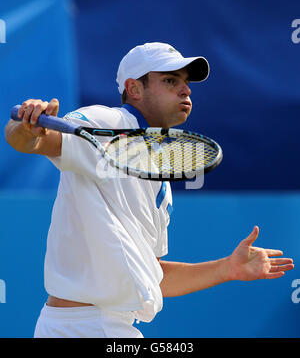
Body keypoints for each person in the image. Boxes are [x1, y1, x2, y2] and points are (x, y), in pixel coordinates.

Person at [5, 42, 294, 338]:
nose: (185, 91)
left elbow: (155, 277)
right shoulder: (111, 122)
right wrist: (26, 125)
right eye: (170, 81)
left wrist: (227, 268)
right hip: (82, 326)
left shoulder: (158, 178)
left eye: (186, 83)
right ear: (135, 89)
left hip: (110, 327)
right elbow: (33, 141)